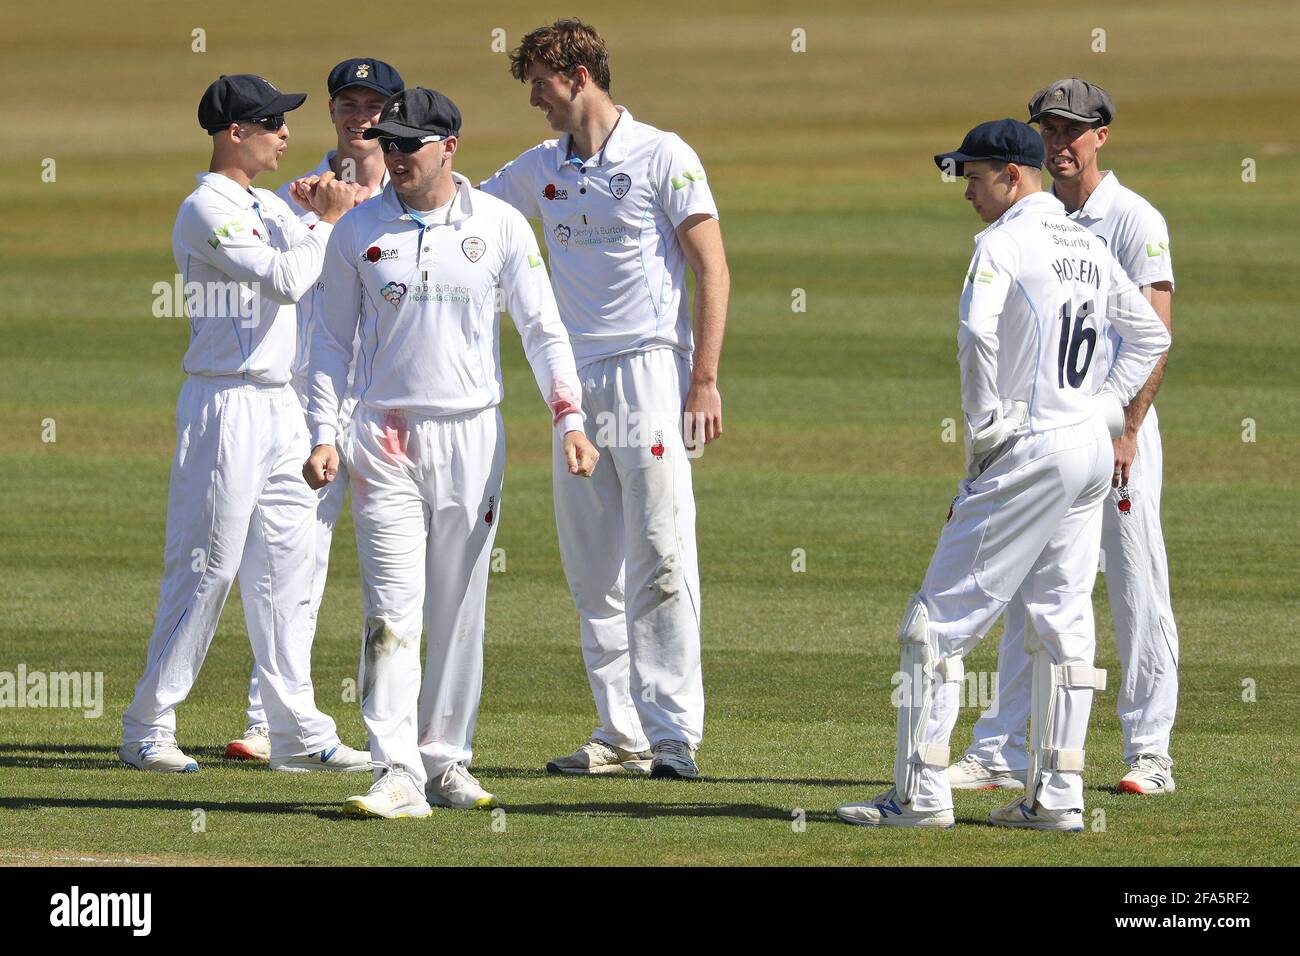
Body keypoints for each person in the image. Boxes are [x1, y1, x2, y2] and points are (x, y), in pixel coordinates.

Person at [835, 119, 1170, 830]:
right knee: (1062, 623)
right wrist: (1106, 410)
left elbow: (976, 330)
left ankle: (918, 796)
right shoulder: (1084, 239)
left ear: (1012, 176)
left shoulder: (1004, 241)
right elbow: (1150, 335)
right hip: (1084, 452)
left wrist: (987, 424)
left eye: (974, 175)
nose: (966, 192)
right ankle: (1057, 799)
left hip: (1030, 450)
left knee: (933, 626)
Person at [303, 87, 599, 819]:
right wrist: (322, 433)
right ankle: (395, 769)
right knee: (391, 606)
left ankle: (444, 759)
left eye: (410, 144)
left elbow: (542, 328)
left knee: (460, 602)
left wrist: (570, 419)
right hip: (383, 436)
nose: (395, 156)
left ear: (450, 147)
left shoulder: (498, 226)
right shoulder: (358, 231)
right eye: (388, 143)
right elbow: (330, 344)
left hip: (472, 434)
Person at [480, 19, 730, 780]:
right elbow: (464, 211)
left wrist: (704, 379)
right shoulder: (538, 168)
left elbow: (711, 269)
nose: (534, 99)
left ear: (580, 73)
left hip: (651, 371)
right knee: (592, 565)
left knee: (659, 550)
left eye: (541, 82)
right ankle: (619, 732)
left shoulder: (663, 154)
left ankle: (673, 733)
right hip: (572, 386)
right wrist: (364, 178)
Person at [120, 74, 371, 774]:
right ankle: (147, 725)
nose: (287, 134)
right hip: (224, 404)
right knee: (207, 567)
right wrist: (326, 217)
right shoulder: (206, 209)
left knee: (286, 570)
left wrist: (330, 211)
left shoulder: (268, 201)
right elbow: (289, 279)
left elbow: (328, 257)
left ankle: (297, 731)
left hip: (282, 408)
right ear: (235, 132)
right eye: (272, 122)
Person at [947, 79, 1179, 797]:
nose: (1059, 143)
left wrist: (1124, 427)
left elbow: (1155, 333)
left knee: (1136, 583)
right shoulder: (1035, 218)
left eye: (1071, 131)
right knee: (1035, 592)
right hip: (1051, 438)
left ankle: (1149, 751)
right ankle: (1003, 748)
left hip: (1114, 431)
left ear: (1101, 135)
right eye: (1048, 131)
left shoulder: (1134, 220)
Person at [225, 58, 405, 763]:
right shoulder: (289, 195)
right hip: (314, 406)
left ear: (394, 111)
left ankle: (418, 729)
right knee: (293, 561)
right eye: (346, 103)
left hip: (398, 405)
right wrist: (317, 214)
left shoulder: (422, 187)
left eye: (373, 104)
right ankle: (269, 722)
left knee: (404, 573)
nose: (358, 116)